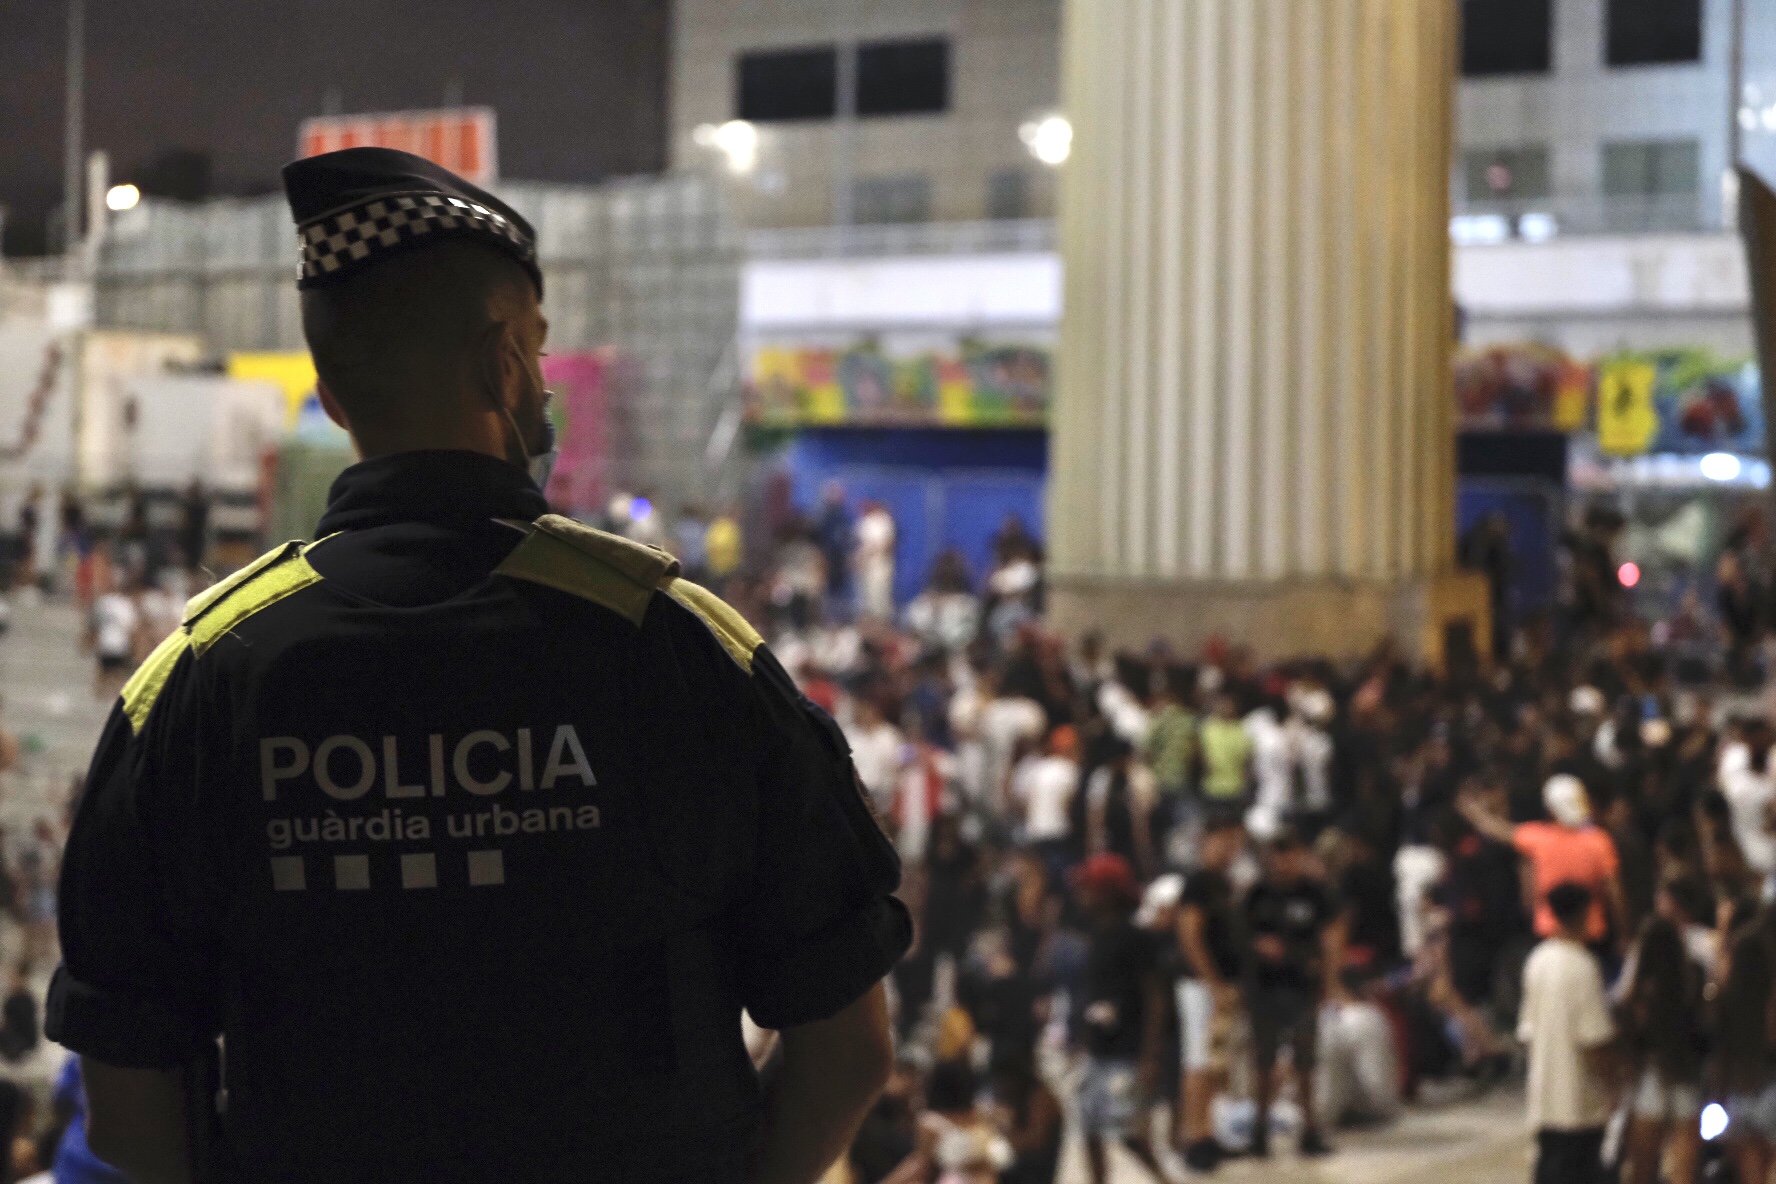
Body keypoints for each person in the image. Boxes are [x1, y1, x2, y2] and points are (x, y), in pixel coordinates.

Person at [46, 148, 911, 1184]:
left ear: (327, 388)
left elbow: (129, 1103)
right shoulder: (682, 650)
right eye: (538, 353)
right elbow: (850, 1045)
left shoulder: (195, 682)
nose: (542, 381)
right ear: (503, 359)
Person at [1242, 829, 1342, 1159]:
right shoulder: (1256, 894)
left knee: (1305, 1061)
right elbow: (1239, 935)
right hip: (1265, 989)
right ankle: (1260, 1130)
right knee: (1263, 1062)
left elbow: (1330, 938)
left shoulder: (1314, 894)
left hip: (1301, 987)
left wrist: (1329, 981)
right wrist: (1258, 947)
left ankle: (1310, 1128)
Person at [1071, 853, 1168, 1184]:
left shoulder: (1135, 937)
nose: (1083, 894)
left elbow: (1154, 996)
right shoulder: (1097, 934)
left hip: (1127, 1050)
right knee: (1090, 1129)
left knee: (1130, 1133)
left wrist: (1150, 1056)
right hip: (1099, 1049)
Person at [1518, 882, 1618, 1184]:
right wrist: (1612, 1085)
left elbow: (1527, 1033)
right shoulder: (1582, 966)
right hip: (1580, 1101)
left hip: (1545, 1098)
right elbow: (1594, 1038)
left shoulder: (1537, 961)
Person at [1462, 773, 1626, 957]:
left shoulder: (1538, 838)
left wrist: (1471, 809)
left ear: (1549, 809)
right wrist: (1624, 934)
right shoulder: (1600, 841)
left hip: (1551, 934)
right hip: (1592, 933)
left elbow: (1495, 829)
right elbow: (1615, 892)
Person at [1173, 813, 1246, 1174]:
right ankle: (1193, 1133)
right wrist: (1213, 983)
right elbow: (1191, 934)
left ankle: (1210, 1129)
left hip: (1222, 983)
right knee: (1199, 1059)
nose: (1231, 850)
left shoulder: (1224, 883)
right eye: (1225, 841)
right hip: (1201, 985)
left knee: (1218, 1060)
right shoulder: (1198, 883)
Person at [1614, 916, 1705, 1184]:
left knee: (1644, 1163)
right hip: (1687, 1072)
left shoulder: (1639, 989)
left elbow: (1628, 1030)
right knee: (1685, 1168)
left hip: (1648, 1076)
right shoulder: (1693, 976)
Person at [1715, 925, 1776, 1184]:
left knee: (1751, 1175)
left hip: (1739, 1093)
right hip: (1770, 1086)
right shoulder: (1770, 1000)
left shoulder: (1726, 1002)